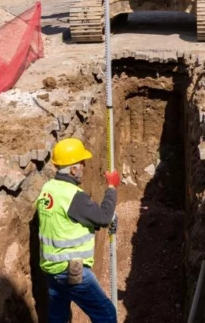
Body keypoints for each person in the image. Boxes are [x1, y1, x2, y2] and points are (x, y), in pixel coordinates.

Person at [37, 138, 121, 323]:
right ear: (73, 169)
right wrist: (112, 188)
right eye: (81, 163)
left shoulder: (47, 189)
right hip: (71, 271)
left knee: (58, 317)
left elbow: (64, 221)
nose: (84, 166)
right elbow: (104, 217)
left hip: (51, 269)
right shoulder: (73, 196)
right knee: (106, 314)